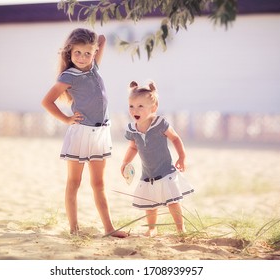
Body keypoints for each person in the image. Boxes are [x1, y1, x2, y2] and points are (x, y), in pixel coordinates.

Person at [41, 28, 128, 238]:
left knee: (99, 183)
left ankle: (109, 228)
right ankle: (74, 229)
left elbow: (103, 39)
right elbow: (47, 101)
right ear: (70, 52)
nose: (82, 57)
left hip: (101, 133)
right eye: (77, 53)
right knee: (74, 182)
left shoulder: (94, 68)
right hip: (81, 133)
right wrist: (67, 119)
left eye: (87, 53)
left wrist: (94, 42)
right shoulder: (69, 76)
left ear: (94, 52)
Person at [121, 81, 194, 237]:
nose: (135, 110)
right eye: (131, 106)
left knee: (173, 201)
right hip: (148, 173)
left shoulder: (160, 123)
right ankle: (152, 228)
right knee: (150, 203)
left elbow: (175, 138)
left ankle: (181, 228)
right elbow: (133, 147)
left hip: (166, 171)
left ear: (153, 108)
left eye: (141, 106)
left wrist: (182, 156)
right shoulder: (132, 129)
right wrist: (125, 162)